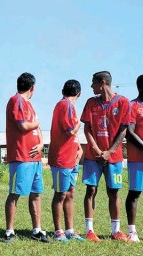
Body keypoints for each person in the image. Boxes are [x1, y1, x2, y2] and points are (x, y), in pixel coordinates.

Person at [81, 71, 130, 242]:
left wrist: (110, 151)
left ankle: (116, 231)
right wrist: (95, 148)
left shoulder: (123, 102)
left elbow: (124, 129)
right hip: (92, 156)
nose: (91, 86)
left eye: (93, 83)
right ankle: (89, 231)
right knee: (91, 190)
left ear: (102, 83)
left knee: (114, 191)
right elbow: (86, 128)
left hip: (113, 156)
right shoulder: (91, 102)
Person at [2, 72, 50, 243]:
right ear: (32, 88)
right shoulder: (16, 101)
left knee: (36, 194)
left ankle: (36, 230)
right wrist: (37, 123)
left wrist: (41, 144)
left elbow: (37, 129)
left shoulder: (29, 105)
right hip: (21, 157)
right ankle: (9, 231)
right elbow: (23, 126)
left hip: (35, 159)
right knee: (15, 193)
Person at [48, 80, 85, 242]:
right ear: (79, 93)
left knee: (70, 193)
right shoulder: (65, 106)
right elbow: (71, 131)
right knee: (60, 194)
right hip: (61, 159)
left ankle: (70, 230)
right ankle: (59, 231)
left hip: (72, 158)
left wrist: (79, 147)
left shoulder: (67, 106)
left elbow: (71, 136)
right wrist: (80, 124)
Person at [125, 74, 143, 243]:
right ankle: (132, 231)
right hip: (137, 158)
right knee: (135, 193)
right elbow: (129, 132)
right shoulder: (133, 106)